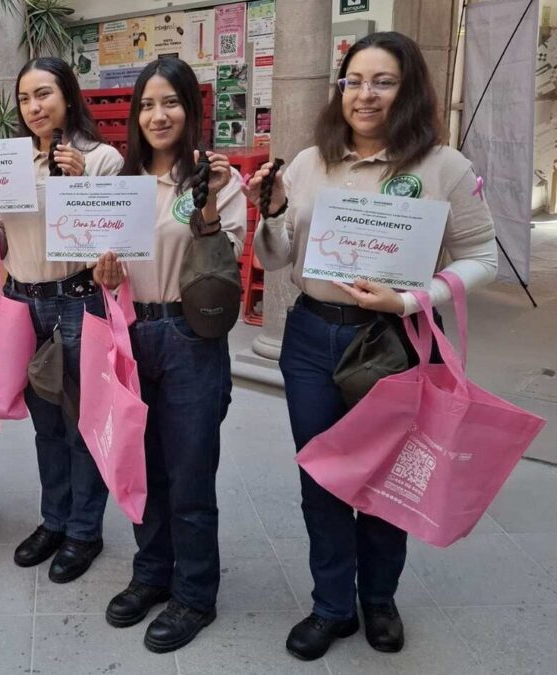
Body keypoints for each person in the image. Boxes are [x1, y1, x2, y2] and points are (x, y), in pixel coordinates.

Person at [241, 32, 497, 661]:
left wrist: (410, 300)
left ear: (408, 90)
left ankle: (378, 598)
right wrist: (270, 214)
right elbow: (275, 259)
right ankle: (332, 605)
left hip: (397, 339)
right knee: (323, 474)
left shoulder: (444, 167)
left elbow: (482, 257)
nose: (365, 94)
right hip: (311, 337)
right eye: (354, 80)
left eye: (382, 82)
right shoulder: (307, 162)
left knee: (386, 477)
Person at [92, 57, 245, 653]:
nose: (158, 115)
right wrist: (102, 272)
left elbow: (224, 263)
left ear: (191, 109)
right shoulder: (119, 182)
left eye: (171, 102)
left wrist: (205, 202)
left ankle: (195, 593)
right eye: (147, 104)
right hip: (131, 333)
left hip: (190, 338)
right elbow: (102, 259)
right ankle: (152, 572)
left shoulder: (214, 178)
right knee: (142, 466)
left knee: (188, 472)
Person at [0, 57, 123, 583]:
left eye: (44, 94)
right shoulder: (11, 162)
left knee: (79, 422)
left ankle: (84, 530)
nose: (34, 107)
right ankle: (54, 520)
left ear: (68, 97)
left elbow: (108, 241)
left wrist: (76, 186)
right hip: (21, 302)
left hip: (78, 299)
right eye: (25, 98)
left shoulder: (102, 160)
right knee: (46, 424)